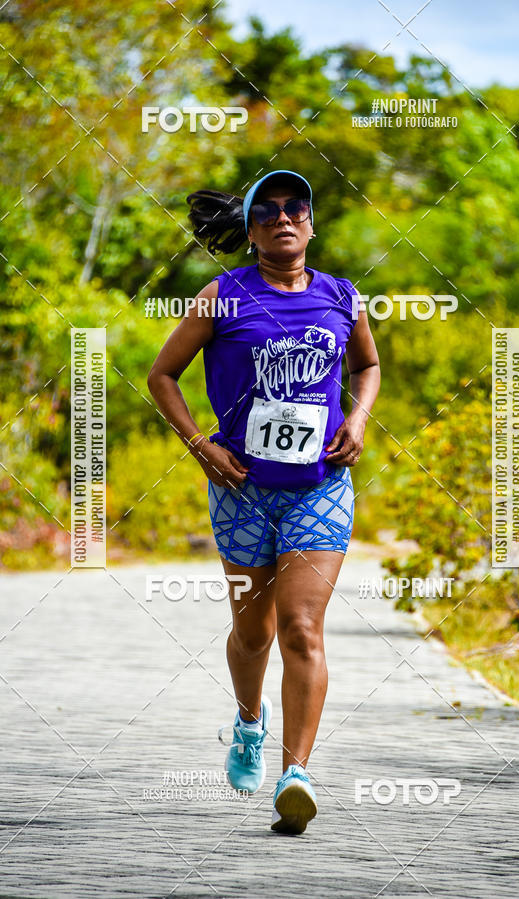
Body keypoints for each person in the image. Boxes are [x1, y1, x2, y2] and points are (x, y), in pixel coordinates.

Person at [147, 169, 380, 834]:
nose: (283, 217)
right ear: (250, 231)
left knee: (302, 627)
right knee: (255, 633)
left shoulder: (342, 296)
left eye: (295, 207)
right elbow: (162, 376)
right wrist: (201, 446)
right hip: (241, 491)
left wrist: (358, 418)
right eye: (267, 211)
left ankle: (295, 775)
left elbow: (367, 366)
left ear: (310, 223)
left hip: (319, 489)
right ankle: (249, 722)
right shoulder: (222, 296)